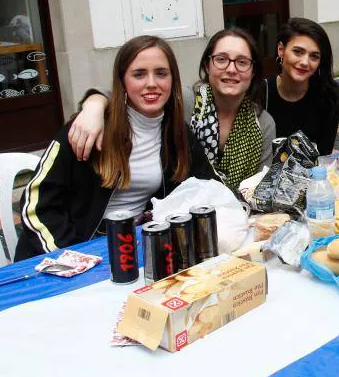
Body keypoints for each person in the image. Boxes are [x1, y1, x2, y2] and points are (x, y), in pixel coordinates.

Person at [14, 36, 221, 259]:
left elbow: (211, 186)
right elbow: (35, 204)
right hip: (70, 247)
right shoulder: (89, 128)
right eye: (139, 74)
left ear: (173, 80)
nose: (151, 83)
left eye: (161, 73)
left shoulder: (177, 134)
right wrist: (73, 257)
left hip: (133, 244)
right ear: (122, 82)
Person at [69, 28, 276, 190]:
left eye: (242, 62)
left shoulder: (263, 123)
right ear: (207, 66)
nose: (231, 69)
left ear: (253, 70)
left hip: (239, 217)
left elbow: (260, 186)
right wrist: (94, 104)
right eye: (221, 59)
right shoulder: (182, 102)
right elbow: (135, 96)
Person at [265, 18, 339, 155]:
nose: (305, 62)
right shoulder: (260, 94)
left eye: (314, 56)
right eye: (298, 52)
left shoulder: (328, 99)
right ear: (281, 50)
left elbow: (323, 157)